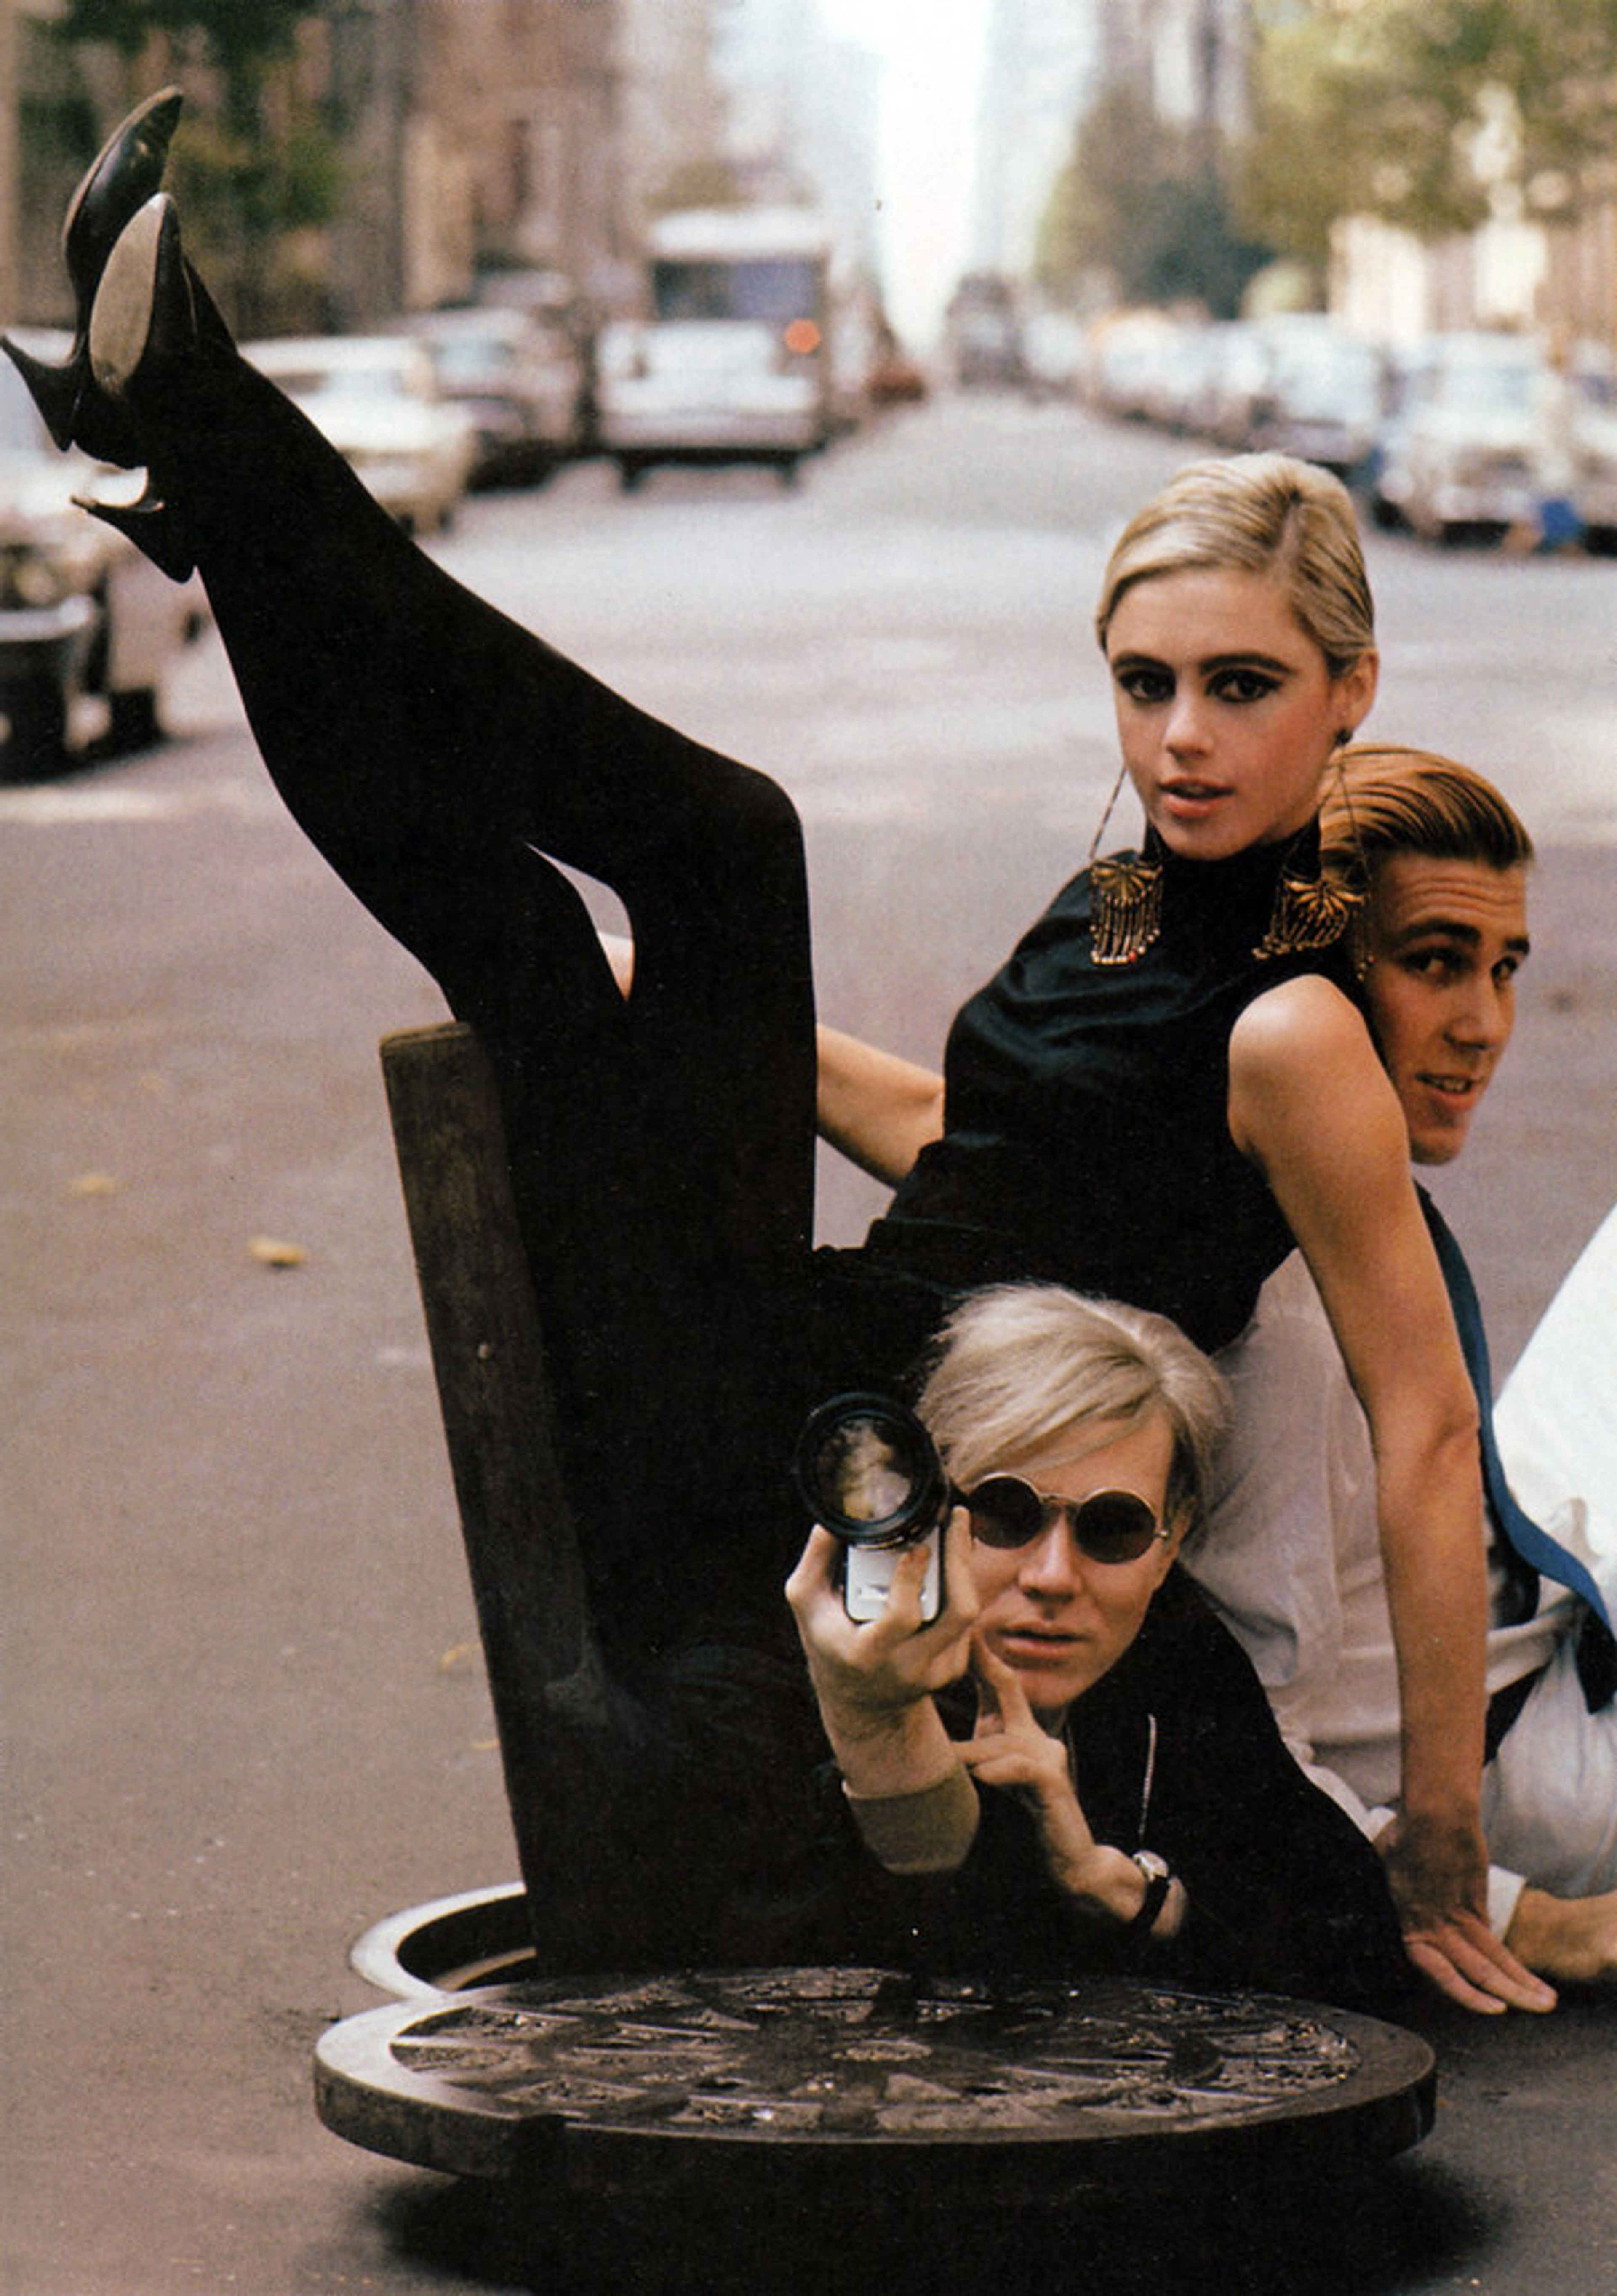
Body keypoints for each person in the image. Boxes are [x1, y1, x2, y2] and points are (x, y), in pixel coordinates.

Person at [5, 92, 1545, 2009]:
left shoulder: (1296, 1016)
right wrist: (724, 1028)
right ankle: (209, 476)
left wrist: (1444, 1831)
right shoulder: (1135, 904)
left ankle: (209, 450)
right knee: (561, 931)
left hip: (841, 1448)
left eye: (1242, 688)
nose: (1181, 741)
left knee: (732, 842)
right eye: (1144, 685)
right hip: (774, 1343)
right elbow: (964, 1134)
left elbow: (1425, 1423)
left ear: (1349, 692)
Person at [1181, 747, 1617, 1988]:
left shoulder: (1271, 1160)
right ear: (1324, 975)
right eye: (1434, 963)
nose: (1485, 1023)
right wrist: (1523, 1910)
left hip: (1541, 1586)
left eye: (1504, 969)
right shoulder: (1283, 1328)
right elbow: (1256, 1745)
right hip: (1549, 1753)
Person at [784, 1283, 1413, 2013]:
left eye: (1113, 1527)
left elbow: (1361, 1945)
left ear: (1171, 1538)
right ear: (928, 1511)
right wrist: (888, 1741)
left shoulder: (1176, 1657)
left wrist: (1123, 1889)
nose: (1053, 1576)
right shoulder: (820, 1667)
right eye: (1003, 1512)